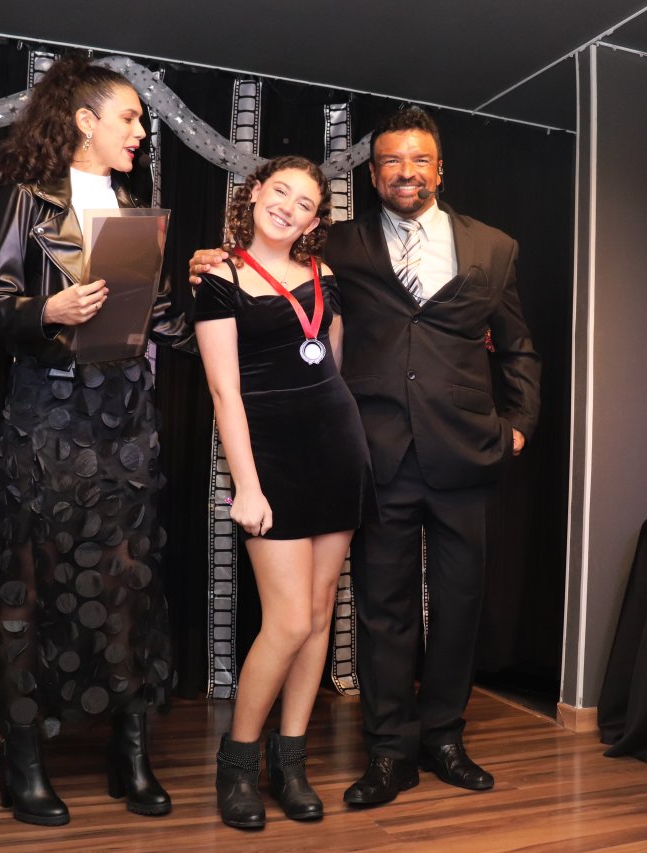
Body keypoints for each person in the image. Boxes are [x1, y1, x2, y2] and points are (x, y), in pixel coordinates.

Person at [190, 108, 541, 807]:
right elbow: (266, 265)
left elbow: (518, 345)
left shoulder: (494, 247)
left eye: (419, 160)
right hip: (376, 456)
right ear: (372, 175)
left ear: (439, 170)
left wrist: (519, 426)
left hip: (466, 451)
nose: (406, 172)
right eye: (390, 162)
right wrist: (211, 259)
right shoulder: (337, 246)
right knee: (382, 609)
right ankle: (388, 752)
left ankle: (445, 738)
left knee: (460, 603)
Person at [0, 55, 192, 826]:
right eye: (130, 117)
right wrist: (48, 311)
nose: (140, 132)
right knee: (30, 587)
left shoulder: (136, 208)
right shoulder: (29, 197)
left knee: (126, 585)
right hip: (47, 422)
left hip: (125, 427)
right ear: (84, 120)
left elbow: (161, 322)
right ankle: (22, 757)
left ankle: (129, 753)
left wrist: (217, 292)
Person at [192, 155, 370, 828]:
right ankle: (237, 760)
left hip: (337, 451)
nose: (289, 207)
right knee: (289, 619)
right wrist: (246, 484)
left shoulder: (325, 276)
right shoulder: (219, 277)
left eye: (305, 203)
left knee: (320, 615)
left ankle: (290, 760)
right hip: (270, 457)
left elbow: (333, 363)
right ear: (256, 193)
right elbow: (223, 392)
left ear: (315, 221)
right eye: (281, 191)